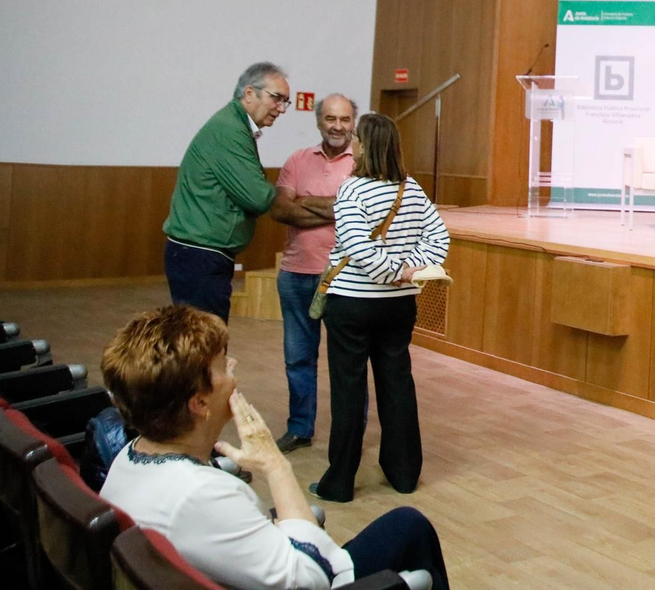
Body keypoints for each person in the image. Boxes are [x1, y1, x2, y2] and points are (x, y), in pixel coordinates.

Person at [100, 304, 450, 590]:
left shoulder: (130, 457)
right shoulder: (204, 494)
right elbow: (313, 578)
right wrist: (275, 466)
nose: (233, 371)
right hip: (306, 576)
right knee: (410, 526)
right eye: (223, 365)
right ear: (199, 403)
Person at [313, 113, 450, 503]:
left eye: (356, 136)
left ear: (365, 144)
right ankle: (404, 474)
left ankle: (338, 482)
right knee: (397, 387)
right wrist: (408, 272)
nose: (351, 141)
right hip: (398, 308)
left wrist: (392, 271)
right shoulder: (412, 188)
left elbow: (358, 249)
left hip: (352, 305)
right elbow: (439, 238)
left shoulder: (352, 190)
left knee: (348, 393)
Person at [164, 62, 293, 321]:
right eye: (276, 98)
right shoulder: (229, 130)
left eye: (285, 102)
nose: (281, 108)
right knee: (204, 344)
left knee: (202, 342)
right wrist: (283, 194)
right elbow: (258, 197)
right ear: (249, 93)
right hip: (200, 254)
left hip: (200, 252)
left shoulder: (235, 125)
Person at [270, 93, 357, 453]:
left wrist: (304, 203)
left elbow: (362, 211)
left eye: (345, 119)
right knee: (298, 358)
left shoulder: (364, 163)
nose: (338, 126)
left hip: (345, 277)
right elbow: (279, 210)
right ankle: (300, 428)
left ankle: (349, 433)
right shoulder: (297, 159)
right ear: (319, 121)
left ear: (354, 122)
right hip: (295, 274)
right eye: (331, 119)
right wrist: (338, 207)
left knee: (347, 363)